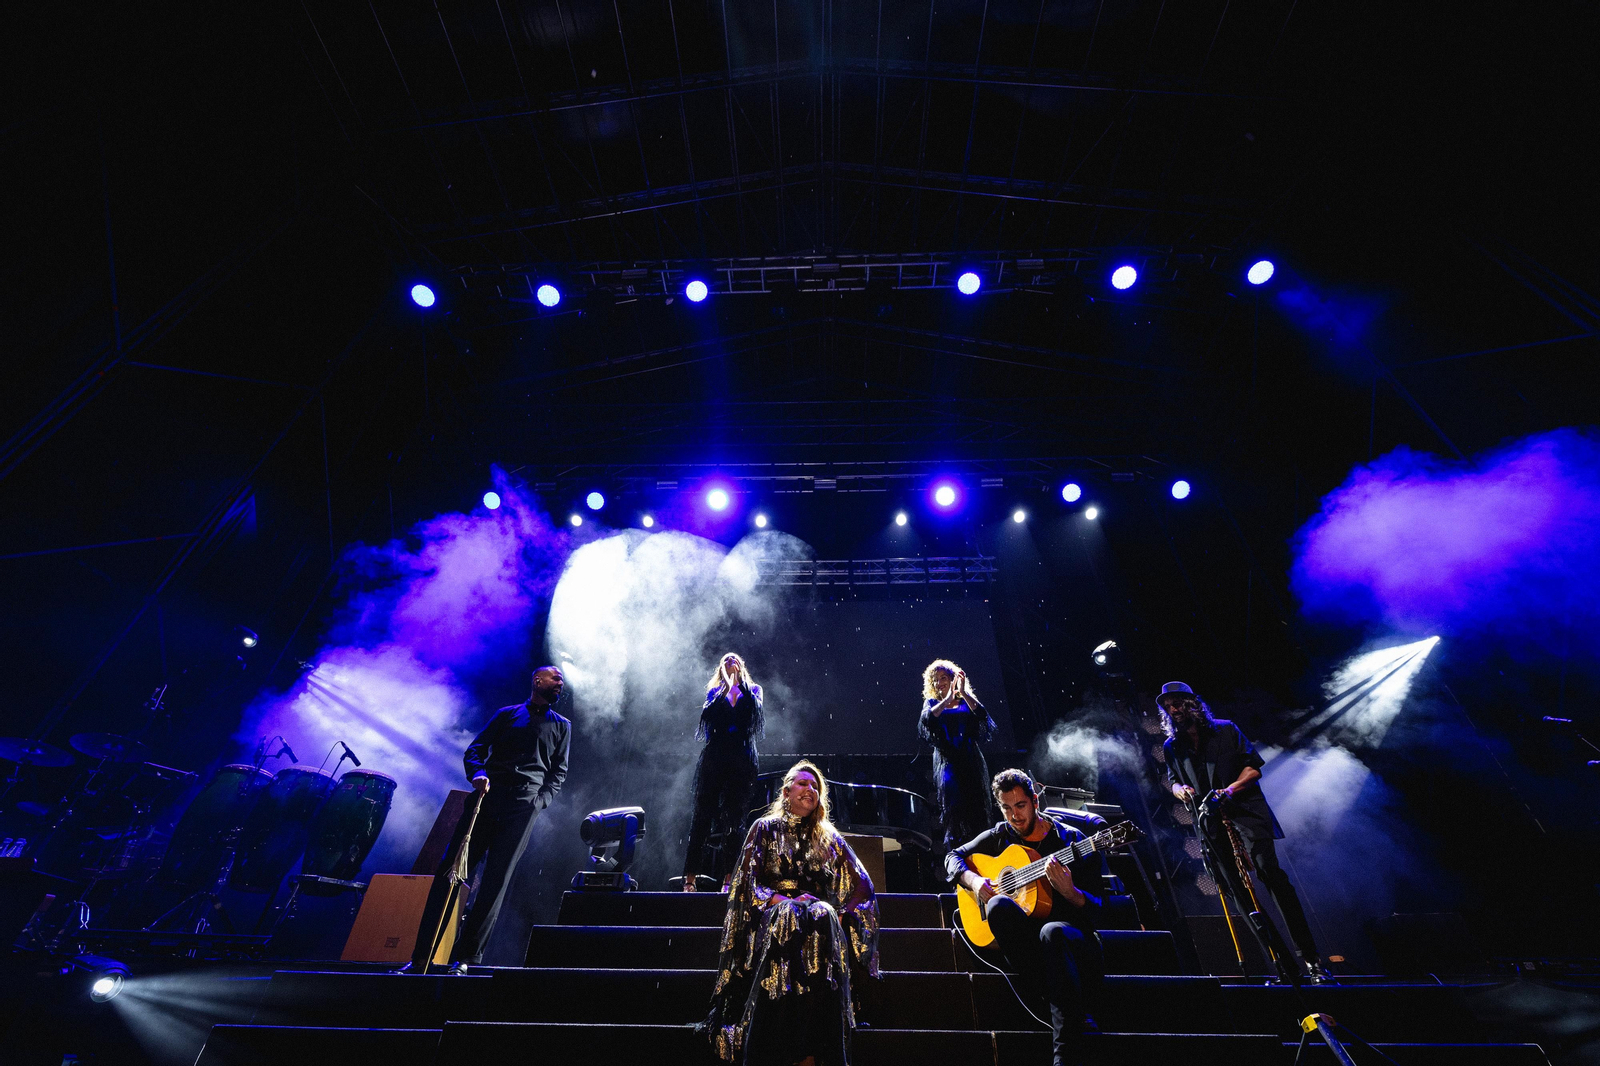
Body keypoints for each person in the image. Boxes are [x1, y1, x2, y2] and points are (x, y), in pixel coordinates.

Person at [700, 760, 880, 1066]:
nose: (809, 789)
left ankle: (819, 1045)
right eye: (802, 783)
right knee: (789, 915)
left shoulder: (828, 837)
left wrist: (840, 912)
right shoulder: (764, 829)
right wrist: (777, 899)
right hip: (772, 912)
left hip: (817, 915)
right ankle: (771, 1045)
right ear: (786, 792)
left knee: (822, 915)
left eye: (815, 786)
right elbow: (746, 882)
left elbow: (861, 883)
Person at [1156, 680, 1331, 983]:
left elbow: (1253, 768)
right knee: (1237, 891)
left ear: (1192, 703)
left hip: (1246, 813)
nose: (1174, 710)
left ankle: (1312, 960)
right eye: (1168, 706)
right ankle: (1282, 965)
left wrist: (1229, 791)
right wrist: (1179, 789)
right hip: (1209, 822)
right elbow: (1171, 781)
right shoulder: (1173, 747)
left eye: (1178, 703)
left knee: (1269, 874)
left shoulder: (1225, 729)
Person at [406, 665, 570, 974]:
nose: (560, 682)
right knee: (451, 873)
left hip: (523, 807)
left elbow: (558, 772)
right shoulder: (507, 714)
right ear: (537, 679)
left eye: (561, 680)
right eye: (555, 677)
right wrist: (478, 773)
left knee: (496, 882)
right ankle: (420, 958)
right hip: (486, 799)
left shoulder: (563, 726)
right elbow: (476, 749)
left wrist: (539, 802)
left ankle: (466, 959)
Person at [948, 768, 1110, 1066]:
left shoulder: (1070, 840)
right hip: (1028, 945)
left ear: (1035, 801)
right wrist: (974, 882)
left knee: (1052, 932)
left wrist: (1071, 892)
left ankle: (1063, 1055)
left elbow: (1099, 911)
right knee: (997, 907)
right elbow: (953, 857)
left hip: (1073, 938)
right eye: (1006, 808)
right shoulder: (1000, 836)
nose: (1014, 816)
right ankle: (1068, 1013)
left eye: (1020, 806)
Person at [684, 652, 764, 891]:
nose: (730, 661)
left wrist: (738, 686)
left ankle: (730, 878)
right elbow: (710, 719)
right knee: (702, 816)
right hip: (716, 758)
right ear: (720, 668)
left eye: (734, 659)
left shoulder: (754, 690)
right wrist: (727, 686)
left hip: (741, 759)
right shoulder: (714, 693)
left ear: (742, 666)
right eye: (725, 660)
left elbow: (751, 719)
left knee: (734, 820)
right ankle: (690, 879)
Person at [919, 659, 997, 851]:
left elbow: (982, 716)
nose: (939, 683)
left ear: (953, 678)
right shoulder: (932, 703)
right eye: (935, 680)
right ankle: (960, 859)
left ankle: (984, 855)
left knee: (977, 809)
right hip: (948, 765)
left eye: (943, 677)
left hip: (971, 761)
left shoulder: (966, 702)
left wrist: (963, 693)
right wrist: (946, 700)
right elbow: (927, 720)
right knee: (955, 812)